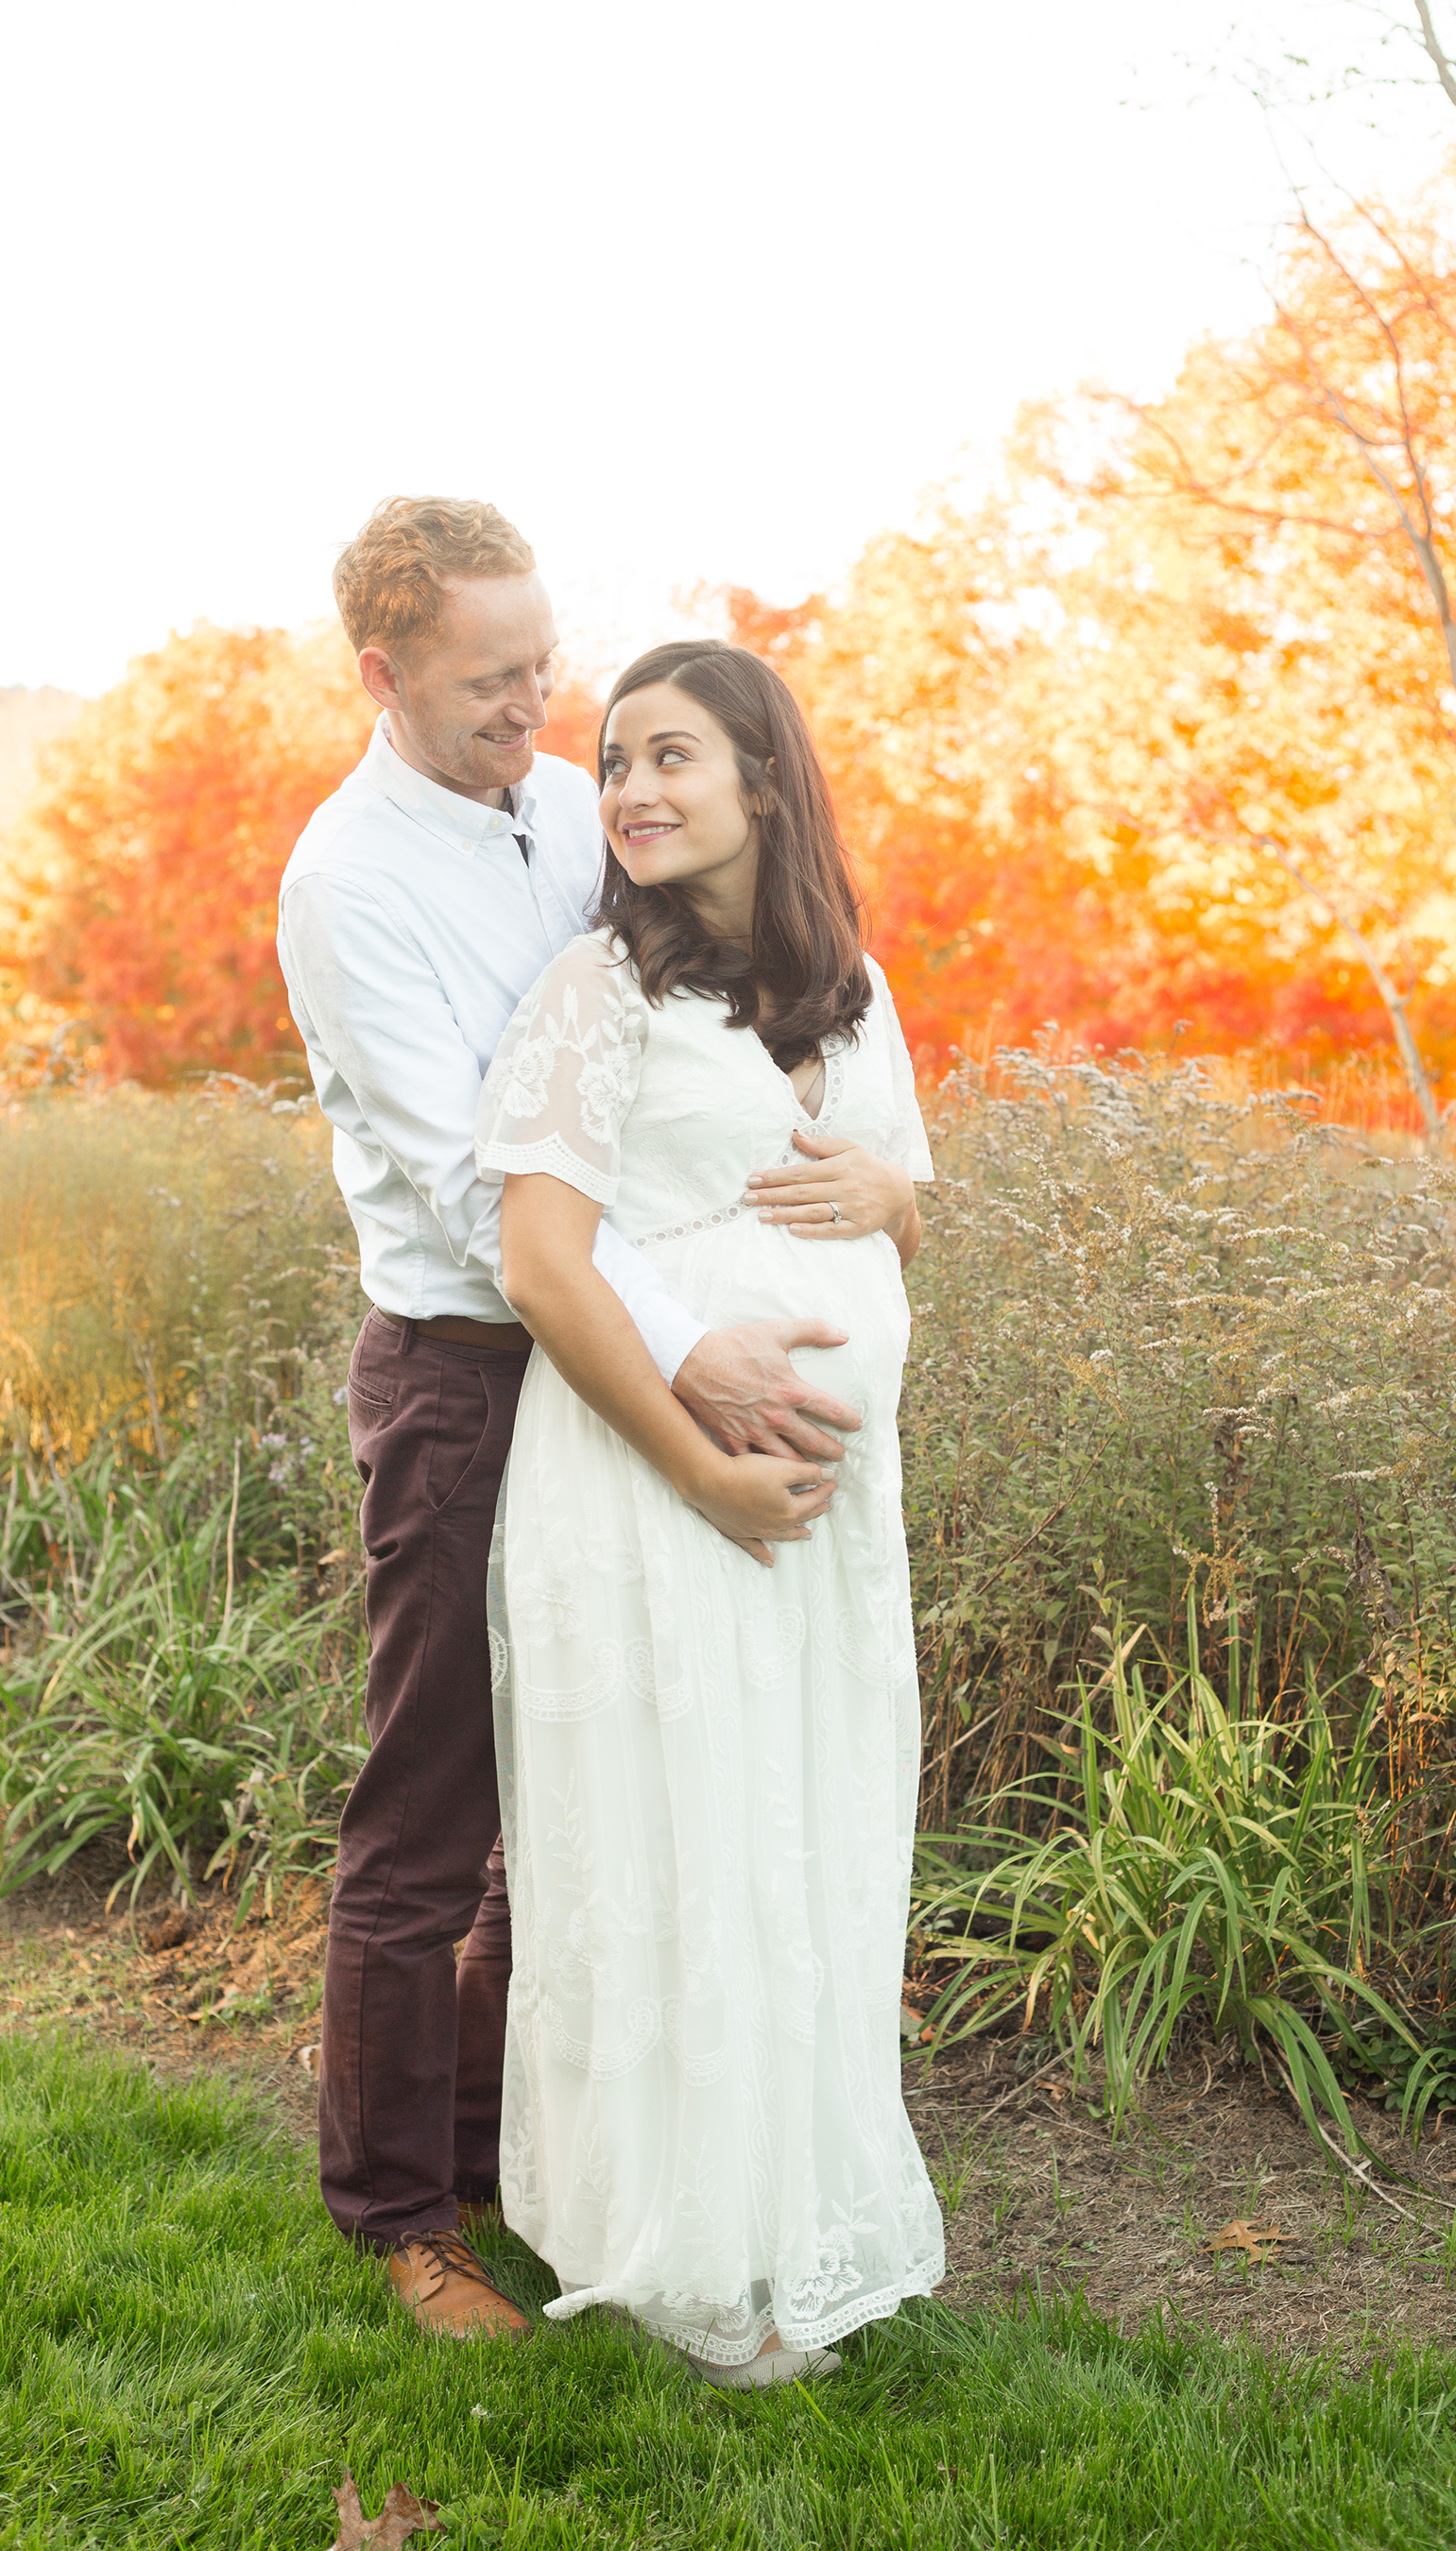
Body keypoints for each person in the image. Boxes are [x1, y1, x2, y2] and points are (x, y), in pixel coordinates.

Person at [277, 501, 910, 2338]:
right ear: (384, 675)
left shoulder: (562, 802)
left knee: (560, 1791)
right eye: (492, 680)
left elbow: (662, 1030)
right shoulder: (347, 886)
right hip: (471, 1378)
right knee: (430, 1804)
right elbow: (494, 1197)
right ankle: (401, 2219)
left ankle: (496, 2149)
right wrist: (690, 1353)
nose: (532, 704)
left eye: (542, 663)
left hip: (596, 1366)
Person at [473, 639, 946, 2386]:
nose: (634, 790)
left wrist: (897, 1190)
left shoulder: (856, 990)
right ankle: (680, 2256)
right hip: (650, 1484)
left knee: (797, 1835)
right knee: (685, 1837)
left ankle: (784, 2212)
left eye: (673, 755)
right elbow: (539, 1258)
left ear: (765, 779)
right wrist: (703, 1460)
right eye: (614, 763)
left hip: (823, 1512)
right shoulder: (601, 991)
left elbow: (893, 1206)